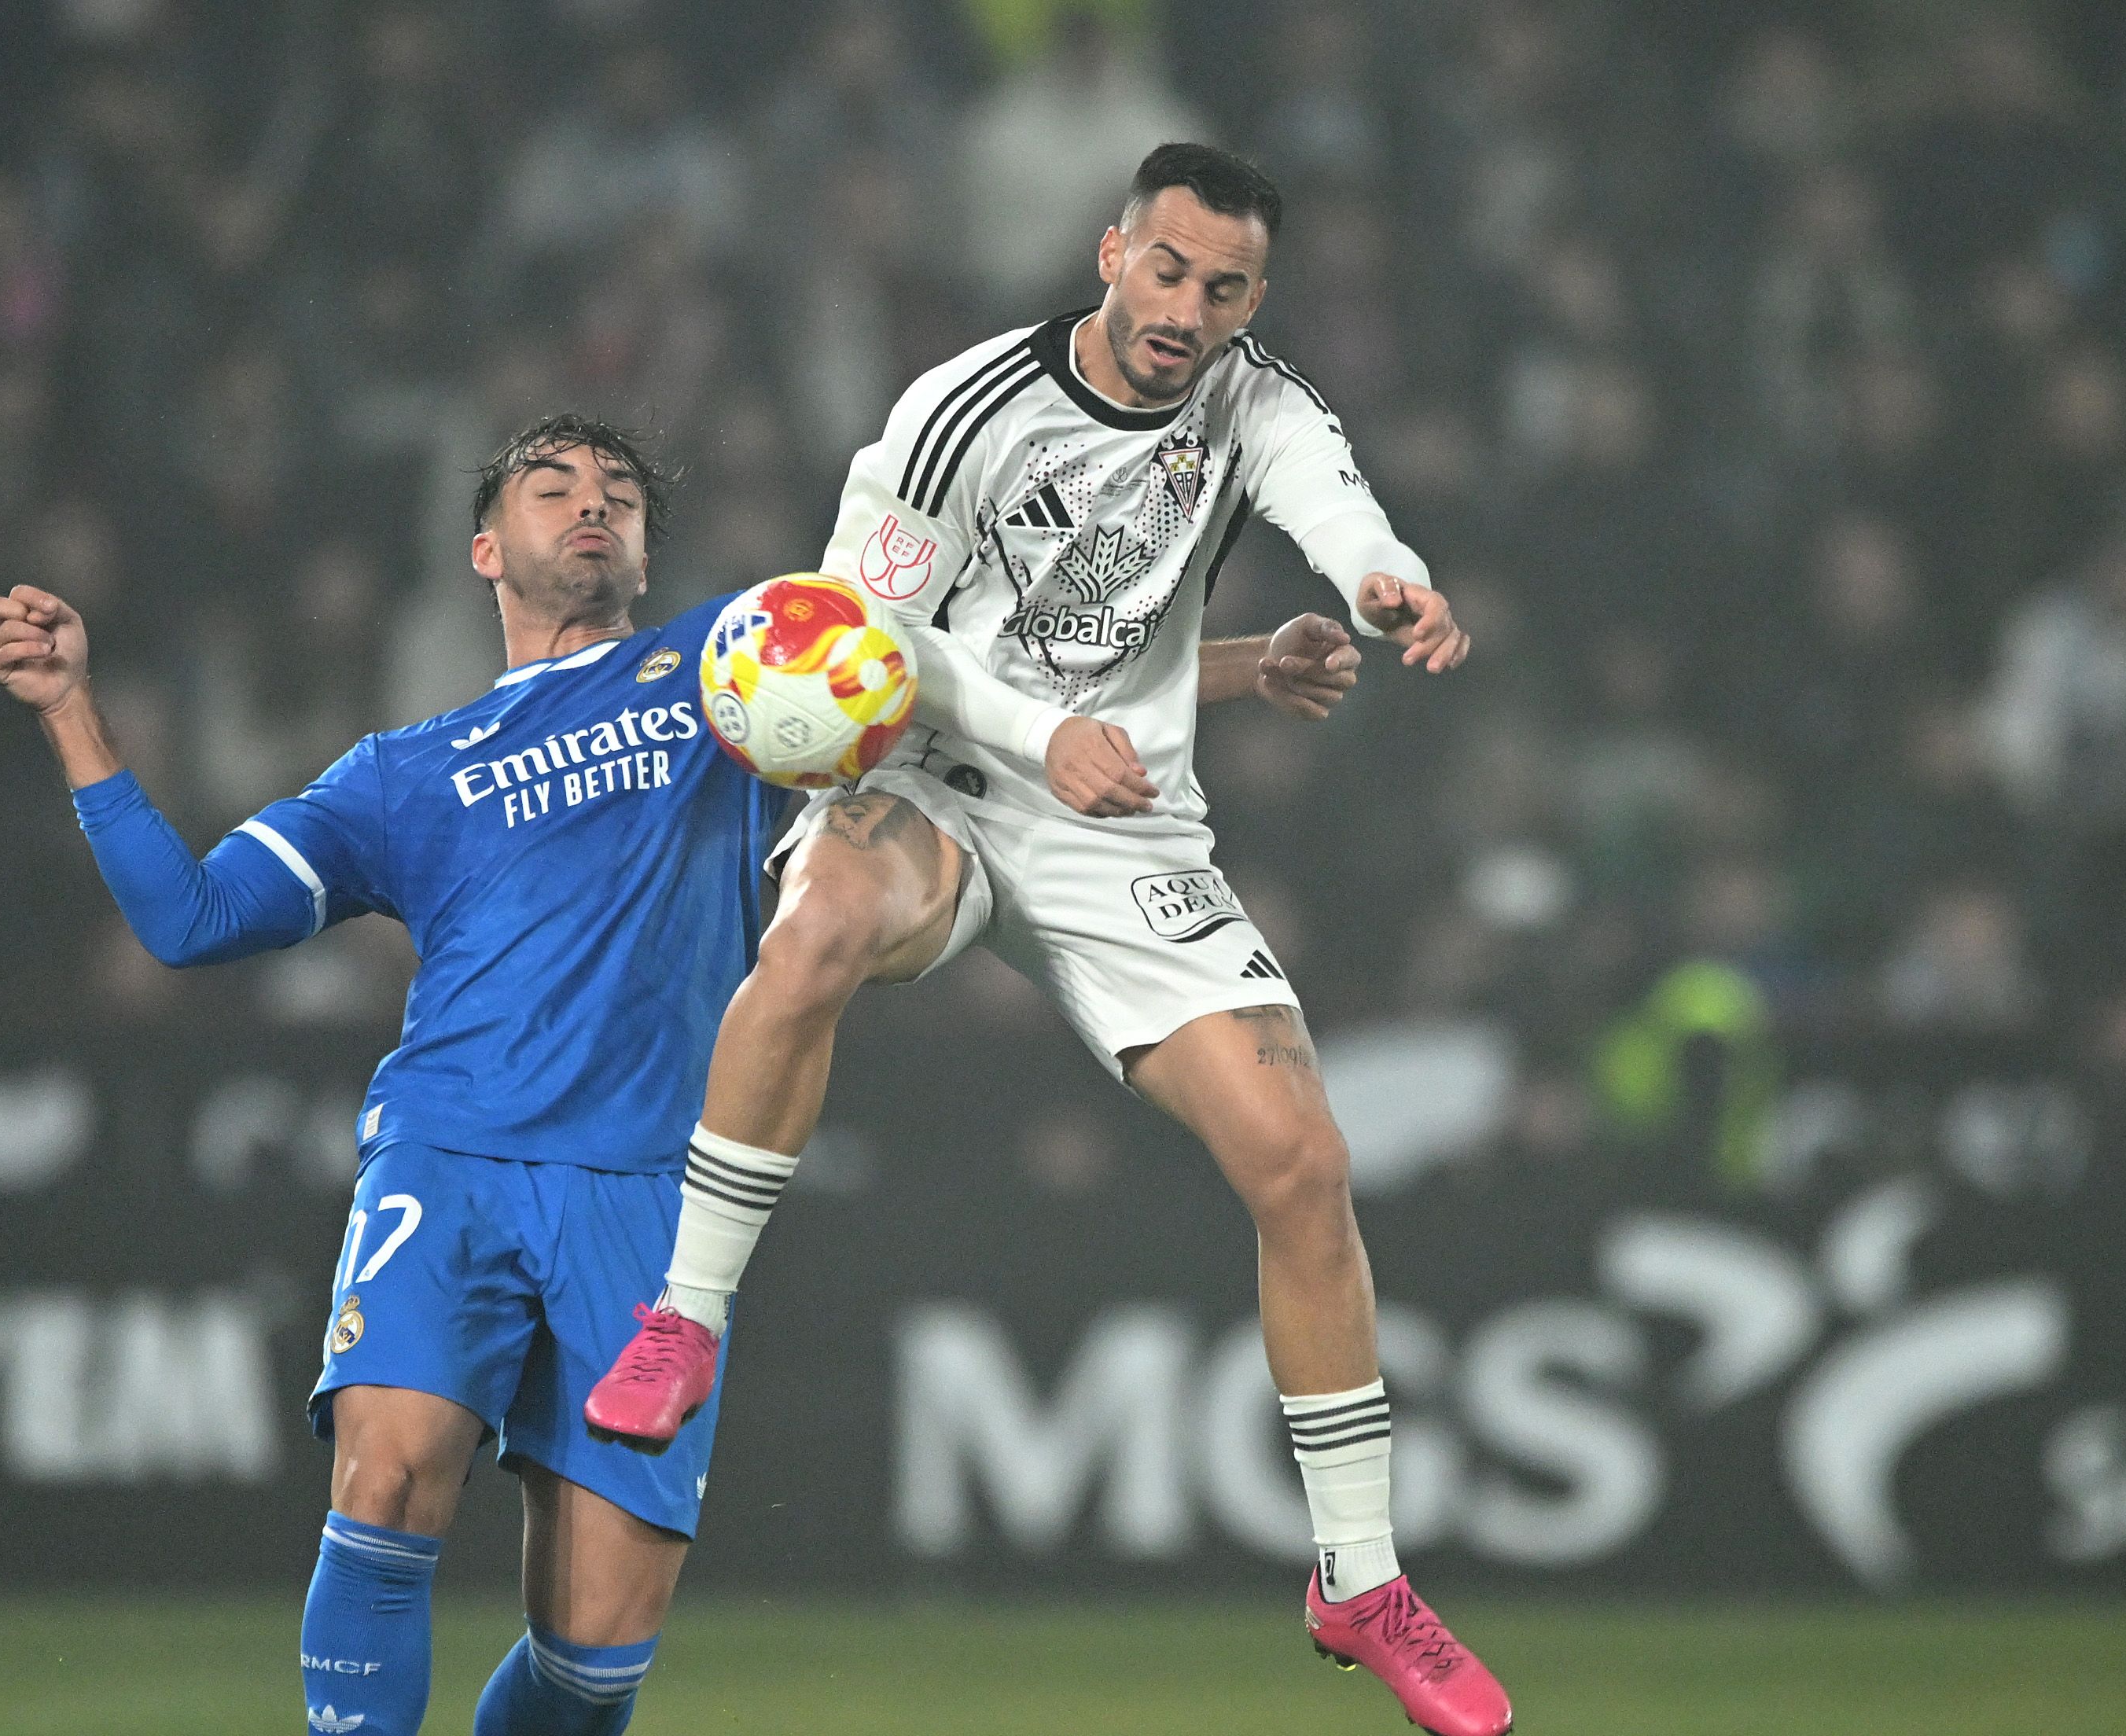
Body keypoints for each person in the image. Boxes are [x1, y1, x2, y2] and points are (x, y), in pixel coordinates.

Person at [0, 412, 1364, 1736]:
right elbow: (193, 922)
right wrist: (73, 715)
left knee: (594, 1659)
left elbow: (980, 687)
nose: (591, 502)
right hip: (450, 1153)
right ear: (484, 549)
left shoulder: (733, 666)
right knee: (389, 1478)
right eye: (553, 484)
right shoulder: (401, 774)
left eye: (619, 495)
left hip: (653, 1191)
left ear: (642, 553)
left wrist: (1242, 669)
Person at [583, 145, 1512, 1736]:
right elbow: (856, 637)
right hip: (936, 772)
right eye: (1166, 271)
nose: (1186, 310)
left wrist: (1385, 588)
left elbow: (1331, 502)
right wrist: (1039, 729)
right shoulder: (961, 411)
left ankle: (1356, 1580)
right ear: (1109, 253)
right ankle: (684, 1311)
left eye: (1224, 289)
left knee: (1300, 1163)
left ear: (1252, 301)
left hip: (1119, 825)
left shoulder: (1251, 400)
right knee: (812, 937)